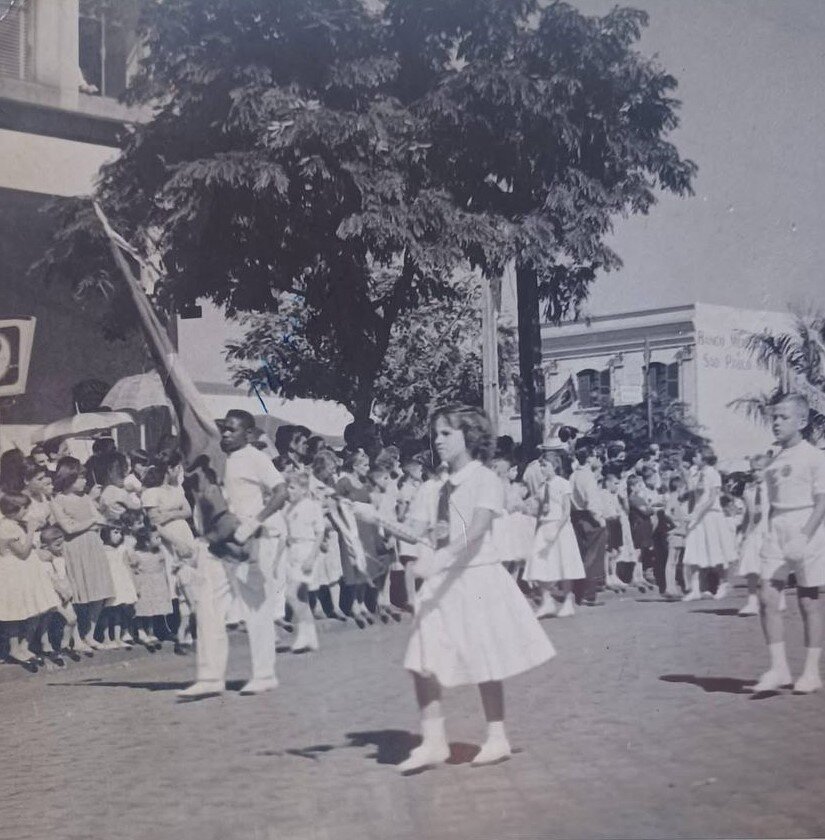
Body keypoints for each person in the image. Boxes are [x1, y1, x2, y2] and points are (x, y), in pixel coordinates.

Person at [363, 405, 555, 771]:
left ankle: (497, 737)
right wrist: (378, 518)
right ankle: (434, 741)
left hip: (476, 577)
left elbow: (477, 528)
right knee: (421, 657)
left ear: (470, 436)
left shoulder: (485, 479)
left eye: (446, 433)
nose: (438, 440)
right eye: (436, 434)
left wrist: (444, 556)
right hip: (441, 580)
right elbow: (414, 532)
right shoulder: (431, 488)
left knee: (485, 657)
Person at [179, 410, 289, 699]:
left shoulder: (256, 457)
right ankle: (210, 677)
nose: (226, 434)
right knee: (208, 607)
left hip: (247, 542)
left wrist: (256, 521)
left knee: (256, 610)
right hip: (219, 541)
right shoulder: (219, 459)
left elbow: (281, 492)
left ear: (248, 434)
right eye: (224, 429)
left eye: (232, 429)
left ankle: (264, 675)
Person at [754, 394, 825, 694]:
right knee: (766, 595)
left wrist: (805, 535)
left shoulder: (814, 457)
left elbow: (822, 501)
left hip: (807, 525)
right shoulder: (774, 461)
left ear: (802, 421)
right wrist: (768, 532)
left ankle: (811, 672)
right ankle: (779, 668)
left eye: (784, 417)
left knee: (809, 600)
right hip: (778, 528)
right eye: (774, 417)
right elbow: (772, 504)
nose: (777, 423)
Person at [49, 457, 114, 652]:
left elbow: (101, 520)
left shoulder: (85, 498)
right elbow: (68, 528)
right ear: (68, 478)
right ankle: (75, 638)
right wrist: (91, 522)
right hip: (74, 549)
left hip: (93, 546)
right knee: (78, 593)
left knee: (99, 591)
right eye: (80, 477)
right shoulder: (58, 500)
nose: (84, 481)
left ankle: (89, 635)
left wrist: (91, 522)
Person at [0, 493, 59, 670]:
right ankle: (14, 649)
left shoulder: (14, 524)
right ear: (14, 510)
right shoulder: (6, 527)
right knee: (16, 611)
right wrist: (31, 531)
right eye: (24, 508)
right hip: (14, 572)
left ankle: (24, 646)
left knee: (34, 608)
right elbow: (23, 553)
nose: (26, 512)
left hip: (26, 571)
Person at [525, 450, 583, 618]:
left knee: (564, 563)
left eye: (545, 465)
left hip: (560, 527)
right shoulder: (542, 487)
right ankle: (547, 600)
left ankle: (568, 601)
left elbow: (566, 510)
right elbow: (539, 508)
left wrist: (556, 528)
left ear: (555, 465)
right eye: (541, 466)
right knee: (538, 561)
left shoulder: (563, 484)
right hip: (544, 526)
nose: (542, 469)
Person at [682, 447, 736, 601]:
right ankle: (695, 589)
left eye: (696, 456)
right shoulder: (696, 473)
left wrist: (697, 513)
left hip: (711, 516)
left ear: (704, 458)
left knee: (715, 551)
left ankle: (723, 584)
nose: (694, 459)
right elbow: (692, 491)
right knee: (694, 551)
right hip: (698, 517)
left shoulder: (713, 473)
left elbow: (712, 498)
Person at [282, 471, 325, 652]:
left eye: (292, 488)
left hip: (307, 551)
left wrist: (311, 557)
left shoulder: (312, 506)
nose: (289, 491)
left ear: (303, 489)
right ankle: (309, 637)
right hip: (292, 551)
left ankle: (305, 634)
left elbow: (320, 532)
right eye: (288, 487)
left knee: (291, 594)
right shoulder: (287, 509)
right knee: (301, 597)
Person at [36, 525, 80, 662]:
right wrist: (61, 591)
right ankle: (46, 646)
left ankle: (64, 645)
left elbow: (64, 575)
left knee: (72, 619)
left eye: (61, 544)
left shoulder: (60, 556)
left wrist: (68, 589)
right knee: (47, 619)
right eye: (57, 545)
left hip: (64, 593)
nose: (61, 547)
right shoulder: (45, 560)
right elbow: (52, 579)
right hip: (53, 593)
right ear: (46, 546)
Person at [569, 445, 607, 606]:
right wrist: (600, 519)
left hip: (577, 516)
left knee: (583, 554)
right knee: (593, 556)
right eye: (596, 456)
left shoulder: (574, 475)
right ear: (590, 458)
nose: (598, 459)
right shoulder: (588, 476)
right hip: (590, 518)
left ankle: (580, 591)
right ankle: (588, 594)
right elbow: (592, 502)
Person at [737, 455, 773, 617]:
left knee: (770, 568)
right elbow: (747, 513)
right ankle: (752, 602)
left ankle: (776, 598)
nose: (756, 473)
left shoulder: (773, 489)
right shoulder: (749, 490)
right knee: (751, 567)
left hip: (768, 530)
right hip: (753, 531)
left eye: (760, 470)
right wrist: (743, 533)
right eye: (753, 470)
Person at [129, 526, 172, 650]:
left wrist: (166, 584)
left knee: (152, 609)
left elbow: (163, 568)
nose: (160, 540)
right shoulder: (137, 555)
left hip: (157, 584)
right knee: (141, 609)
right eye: (157, 538)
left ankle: (151, 632)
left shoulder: (159, 552)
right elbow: (132, 570)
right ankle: (141, 631)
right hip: (144, 584)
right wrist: (136, 586)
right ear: (147, 542)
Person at [99, 524, 138, 649]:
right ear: (106, 533)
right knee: (106, 610)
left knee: (119, 610)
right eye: (115, 532)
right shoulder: (101, 549)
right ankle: (106, 638)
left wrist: (132, 584)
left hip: (121, 582)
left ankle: (117, 638)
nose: (119, 535)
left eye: (120, 533)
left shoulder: (122, 548)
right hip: (109, 582)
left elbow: (126, 565)